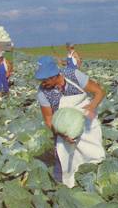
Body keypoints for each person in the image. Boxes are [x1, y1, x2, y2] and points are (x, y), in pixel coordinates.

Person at [35, 56, 105, 187]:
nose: (42, 83)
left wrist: (91, 107)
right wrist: (62, 134)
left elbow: (99, 92)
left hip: (87, 125)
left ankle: (95, 183)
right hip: (64, 131)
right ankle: (70, 187)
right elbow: (49, 119)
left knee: (94, 156)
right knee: (66, 164)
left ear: (54, 76)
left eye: (44, 80)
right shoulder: (42, 93)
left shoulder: (73, 75)